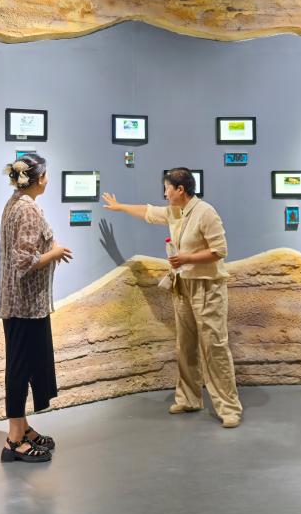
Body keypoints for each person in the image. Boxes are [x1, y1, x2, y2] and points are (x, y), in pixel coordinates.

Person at [102, 168, 242, 428]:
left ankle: (229, 407)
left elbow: (220, 250)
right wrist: (120, 207)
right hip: (183, 285)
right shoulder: (175, 211)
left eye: (167, 188)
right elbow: (148, 212)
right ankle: (189, 398)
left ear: (180, 189)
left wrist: (186, 258)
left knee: (214, 346)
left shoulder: (205, 212)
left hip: (207, 287)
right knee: (185, 345)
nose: (165, 193)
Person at [0, 153, 72, 463]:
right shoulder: (27, 209)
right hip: (25, 305)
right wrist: (55, 253)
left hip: (19, 303)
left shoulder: (15, 203)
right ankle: (15, 439)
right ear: (40, 178)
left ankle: (23, 427)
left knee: (22, 366)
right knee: (19, 370)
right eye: (47, 175)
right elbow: (23, 261)